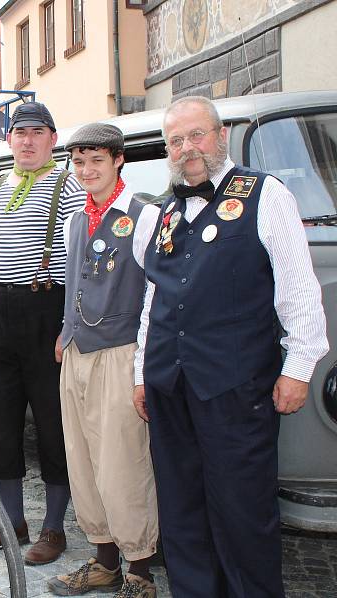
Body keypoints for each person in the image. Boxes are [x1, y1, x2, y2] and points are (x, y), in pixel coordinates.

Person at [134, 96, 328, 597]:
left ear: (219, 137)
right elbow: (154, 298)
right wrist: (142, 372)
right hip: (170, 389)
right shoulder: (165, 213)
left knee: (243, 514)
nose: (186, 149)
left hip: (235, 388)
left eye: (196, 135)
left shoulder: (265, 195)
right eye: (175, 141)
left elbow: (298, 287)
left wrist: (300, 365)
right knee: (181, 513)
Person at [0, 102, 86, 565]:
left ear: (53, 139)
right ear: (9, 140)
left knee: (54, 427)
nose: (28, 140)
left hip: (46, 314)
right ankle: (10, 522)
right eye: (21, 133)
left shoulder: (69, 186)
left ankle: (54, 528)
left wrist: (68, 326)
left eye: (38, 132)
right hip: (0, 315)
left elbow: (79, 265)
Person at [46, 124, 159, 598]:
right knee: (84, 459)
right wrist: (64, 332)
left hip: (120, 351)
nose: (86, 170)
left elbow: (156, 293)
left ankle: (141, 570)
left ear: (118, 162)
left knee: (124, 462)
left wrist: (145, 365)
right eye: (78, 161)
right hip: (77, 353)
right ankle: (103, 560)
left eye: (96, 160)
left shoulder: (144, 215)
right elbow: (74, 283)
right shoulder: (75, 220)